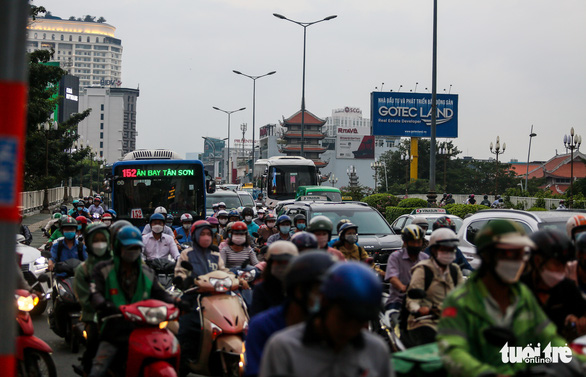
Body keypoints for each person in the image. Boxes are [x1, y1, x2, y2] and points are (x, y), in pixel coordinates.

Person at [437, 219, 585, 377]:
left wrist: (578, 361)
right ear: (487, 255)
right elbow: (452, 350)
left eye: (521, 253)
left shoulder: (521, 294)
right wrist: (487, 374)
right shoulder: (460, 301)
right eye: (509, 253)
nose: (518, 260)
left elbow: (548, 337)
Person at [259, 262, 392, 377]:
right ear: (324, 303)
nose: (350, 330)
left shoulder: (376, 350)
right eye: (344, 319)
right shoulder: (284, 348)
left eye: (360, 322)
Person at [89, 225, 181, 377]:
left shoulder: (147, 271)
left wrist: (176, 302)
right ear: (118, 248)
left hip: (146, 327)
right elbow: (94, 292)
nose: (133, 252)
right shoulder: (103, 269)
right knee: (99, 368)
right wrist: (104, 304)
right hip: (115, 327)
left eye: (136, 248)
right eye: (128, 248)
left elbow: (160, 293)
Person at [245, 252, 335, 377]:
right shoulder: (265, 328)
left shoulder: (334, 329)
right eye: (319, 290)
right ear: (299, 290)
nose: (325, 299)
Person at [174, 220, 229, 369]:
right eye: (202, 234)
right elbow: (180, 273)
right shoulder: (187, 254)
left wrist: (237, 279)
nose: (205, 237)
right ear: (195, 236)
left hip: (216, 297)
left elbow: (224, 272)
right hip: (194, 296)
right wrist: (185, 280)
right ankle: (185, 361)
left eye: (208, 234)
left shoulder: (215, 254)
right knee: (187, 327)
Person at [521, 229, 586, 340]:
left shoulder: (566, 287)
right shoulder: (519, 288)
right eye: (557, 264)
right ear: (537, 261)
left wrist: (578, 322)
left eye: (564, 264)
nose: (562, 270)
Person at [404, 228, 464, 347]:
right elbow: (412, 299)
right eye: (444, 250)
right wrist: (418, 309)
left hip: (451, 321)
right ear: (434, 250)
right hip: (426, 321)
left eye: (451, 250)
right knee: (431, 338)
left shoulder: (454, 270)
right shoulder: (423, 270)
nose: (449, 253)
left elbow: (464, 295)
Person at [73, 223, 112, 375]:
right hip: (94, 316)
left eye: (103, 239)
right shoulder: (83, 270)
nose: (100, 243)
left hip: (122, 312)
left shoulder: (119, 262)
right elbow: (85, 299)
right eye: (96, 240)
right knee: (94, 341)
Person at [385, 224, 429, 310]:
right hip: (398, 301)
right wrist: (403, 288)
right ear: (405, 243)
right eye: (413, 242)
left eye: (418, 242)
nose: (416, 245)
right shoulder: (395, 257)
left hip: (422, 301)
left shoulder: (425, 258)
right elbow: (392, 277)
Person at [250, 241, 298, 317]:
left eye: (286, 263)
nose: (282, 267)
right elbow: (256, 317)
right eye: (279, 262)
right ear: (270, 264)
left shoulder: (299, 288)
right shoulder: (261, 289)